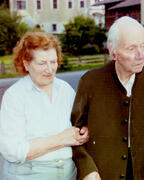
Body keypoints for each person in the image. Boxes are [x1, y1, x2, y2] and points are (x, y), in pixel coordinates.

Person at [71, 16, 144, 180]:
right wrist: (87, 169)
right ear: (113, 52)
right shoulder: (90, 82)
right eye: (131, 49)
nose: (140, 55)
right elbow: (75, 134)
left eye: (143, 46)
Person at [0, 32, 89, 180]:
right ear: (26, 64)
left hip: (69, 173)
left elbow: (77, 125)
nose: (49, 69)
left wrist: (83, 132)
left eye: (53, 62)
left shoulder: (66, 89)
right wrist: (61, 139)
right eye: (42, 63)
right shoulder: (15, 96)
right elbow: (13, 151)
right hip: (28, 174)